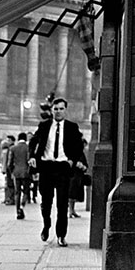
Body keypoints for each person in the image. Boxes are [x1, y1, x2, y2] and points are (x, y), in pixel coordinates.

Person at [28, 97, 85, 247]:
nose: (58, 112)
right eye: (55, 109)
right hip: (46, 167)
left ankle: (61, 235)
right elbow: (33, 142)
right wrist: (32, 157)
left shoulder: (72, 127)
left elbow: (79, 146)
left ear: (65, 110)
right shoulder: (44, 125)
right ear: (51, 110)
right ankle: (46, 225)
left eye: (61, 109)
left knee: (62, 204)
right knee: (45, 203)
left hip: (62, 168)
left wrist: (72, 159)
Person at [7, 132, 30, 219]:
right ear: (26, 139)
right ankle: (22, 206)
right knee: (26, 191)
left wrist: (12, 172)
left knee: (17, 192)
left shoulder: (13, 148)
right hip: (26, 173)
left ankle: (17, 211)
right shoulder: (28, 148)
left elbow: (9, 163)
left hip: (16, 172)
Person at [68, 138, 90, 218]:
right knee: (71, 194)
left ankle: (72, 210)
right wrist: (78, 164)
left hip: (78, 176)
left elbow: (86, 164)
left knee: (74, 194)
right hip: (73, 176)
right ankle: (71, 211)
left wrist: (84, 167)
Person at [3, 134, 16, 205]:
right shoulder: (10, 148)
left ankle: (12, 199)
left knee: (11, 184)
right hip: (9, 168)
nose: (7, 141)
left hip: (11, 169)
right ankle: (10, 198)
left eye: (8, 140)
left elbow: (11, 160)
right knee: (9, 184)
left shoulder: (12, 148)